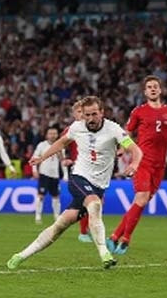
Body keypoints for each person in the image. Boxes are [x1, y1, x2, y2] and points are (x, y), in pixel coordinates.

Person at [6, 96, 142, 270]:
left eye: (94, 114)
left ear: (102, 112)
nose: (91, 119)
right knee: (94, 204)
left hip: (99, 185)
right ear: (83, 115)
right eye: (87, 115)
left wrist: (134, 163)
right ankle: (104, 253)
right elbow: (62, 142)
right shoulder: (77, 128)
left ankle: (20, 255)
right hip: (79, 177)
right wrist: (42, 157)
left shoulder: (113, 129)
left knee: (60, 226)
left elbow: (135, 150)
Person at [107, 75, 167, 254]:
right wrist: (123, 148)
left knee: (139, 203)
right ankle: (125, 239)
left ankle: (114, 236)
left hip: (160, 165)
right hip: (142, 161)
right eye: (149, 87)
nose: (153, 89)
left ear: (160, 90)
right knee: (141, 198)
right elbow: (127, 133)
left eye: (155, 86)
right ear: (145, 91)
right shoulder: (138, 112)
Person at [60, 100, 93, 243]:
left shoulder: (92, 128)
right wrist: (64, 159)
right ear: (74, 114)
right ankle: (83, 232)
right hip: (79, 170)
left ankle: (88, 229)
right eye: (79, 112)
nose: (82, 114)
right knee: (89, 200)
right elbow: (60, 146)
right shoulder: (71, 129)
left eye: (83, 111)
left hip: (94, 170)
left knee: (94, 202)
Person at [32, 126, 67, 224]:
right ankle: (38, 216)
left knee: (56, 196)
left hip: (55, 175)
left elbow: (62, 161)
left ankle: (56, 216)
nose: (52, 135)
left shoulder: (60, 146)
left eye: (54, 133)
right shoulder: (42, 145)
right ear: (47, 135)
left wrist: (65, 175)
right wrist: (34, 170)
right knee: (41, 195)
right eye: (50, 133)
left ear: (57, 135)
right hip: (44, 174)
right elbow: (35, 157)